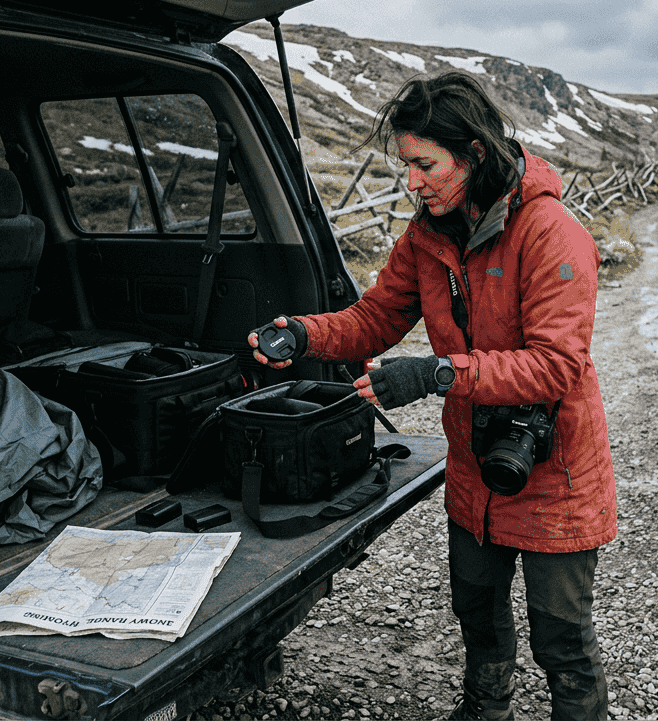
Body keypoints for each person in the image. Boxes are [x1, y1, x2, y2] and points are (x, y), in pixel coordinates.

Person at [248, 71, 616, 721]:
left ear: (474, 154)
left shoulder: (550, 231)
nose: (412, 182)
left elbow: (557, 367)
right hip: (476, 472)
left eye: (425, 165)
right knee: (476, 610)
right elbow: (373, 319)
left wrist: (437, 374)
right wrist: (303, 334)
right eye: (407, 166)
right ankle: (484, 712)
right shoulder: (427, 236)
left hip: (554, 472)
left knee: (560, 637)